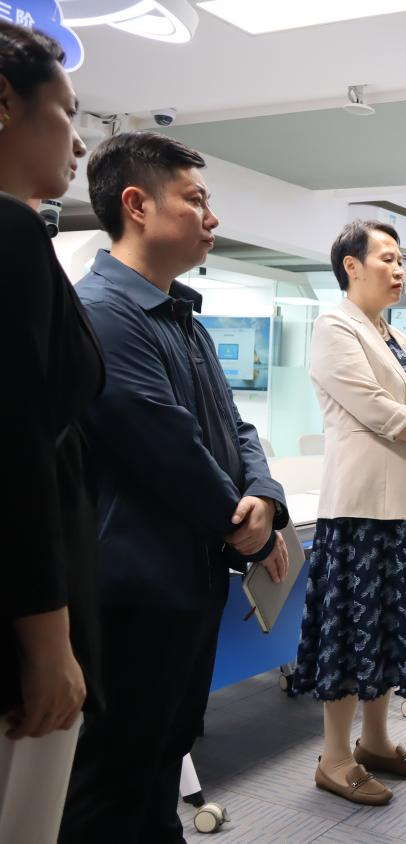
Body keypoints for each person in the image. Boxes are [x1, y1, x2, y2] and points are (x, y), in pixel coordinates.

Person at [60, 131, 290, 843]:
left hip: (187, 585)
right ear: (137, 205)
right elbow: (167, 447)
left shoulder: (179, 315)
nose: (211, 217)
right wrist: (246, 526)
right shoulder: (102, 313)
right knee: (113, 781)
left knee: (163, 756)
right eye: (195, 200)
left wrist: (266, 498)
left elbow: (236, 425)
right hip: (133, 596)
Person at [290, 221, 406, 806]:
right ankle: (334, 758)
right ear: (351, 266)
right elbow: (375, 409)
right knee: (353, 630)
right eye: (388, 258)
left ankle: (374, 742)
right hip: (361, 509)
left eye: (402, 262)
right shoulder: (334, 326)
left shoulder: (392, 334)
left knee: (390, 626)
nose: (399, 270)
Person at [0, 22, 100, 843]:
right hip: (17, 610)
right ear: (4, 103)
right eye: (66, 111)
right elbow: (16, 447)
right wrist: (49, 642)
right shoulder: (10, 235)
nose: (79, 141)